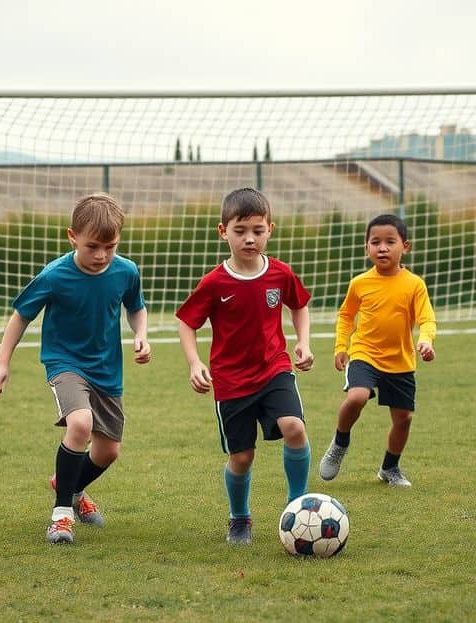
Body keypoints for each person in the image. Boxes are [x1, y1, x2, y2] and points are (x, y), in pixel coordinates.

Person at [0, 193, 150, 545]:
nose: (101, 255)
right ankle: (61, 516)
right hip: (65, 363)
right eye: (93, 246)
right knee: (80, 423)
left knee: (108, 451)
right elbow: (21, 317)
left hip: (107, 369)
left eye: (110, 246)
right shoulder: (55, 275)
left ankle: (70, 486)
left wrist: (141, 335)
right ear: (72, 236)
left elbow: (136, 307)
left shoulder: (126, 271)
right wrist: (2, 363)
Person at [176, 188, 314, 545]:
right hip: (232, 381)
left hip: (274, 369)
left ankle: (296, 506)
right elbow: (187, 322)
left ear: (270, 228)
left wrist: (302, 342)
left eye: (257, 230)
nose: (249, 238)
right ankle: (239, 518)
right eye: (240, 231)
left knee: (294, 427)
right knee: (242, 456)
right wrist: (194, 363)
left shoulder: (280, 273)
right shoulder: (214, 282)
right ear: (223, 231)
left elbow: (299, 305)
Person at [317, 214, 436, 488]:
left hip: (400, 361)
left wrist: (427, 341)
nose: (382, 248)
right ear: (366, 248)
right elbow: (346, 315)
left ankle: (389, 468)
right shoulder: (360, 283)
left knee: (403, 419)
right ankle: (340, 442)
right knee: (357, 397)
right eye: (375, 242)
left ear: (405, 246)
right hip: (364, 354)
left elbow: (426, 318)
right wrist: (341, 345)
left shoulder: (414, 284)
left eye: (390, 242)